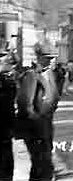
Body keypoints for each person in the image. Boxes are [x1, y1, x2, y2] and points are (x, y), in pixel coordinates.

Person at [16, 42, 60, 181]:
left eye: (52, 57)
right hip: (35, 129)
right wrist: (36, 120)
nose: (51, 60)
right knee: (43, 166)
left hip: (46, 125)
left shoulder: (50, 74)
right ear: (39, 58)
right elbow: (24, 102)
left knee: (43, 166)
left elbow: (53, 99)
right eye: (47, 58)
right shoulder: (32, 75)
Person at [0, 51, 18, 181]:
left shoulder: (7, 81)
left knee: (6, 166)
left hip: (6, 129)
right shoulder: (6, 82)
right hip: (4, 129)